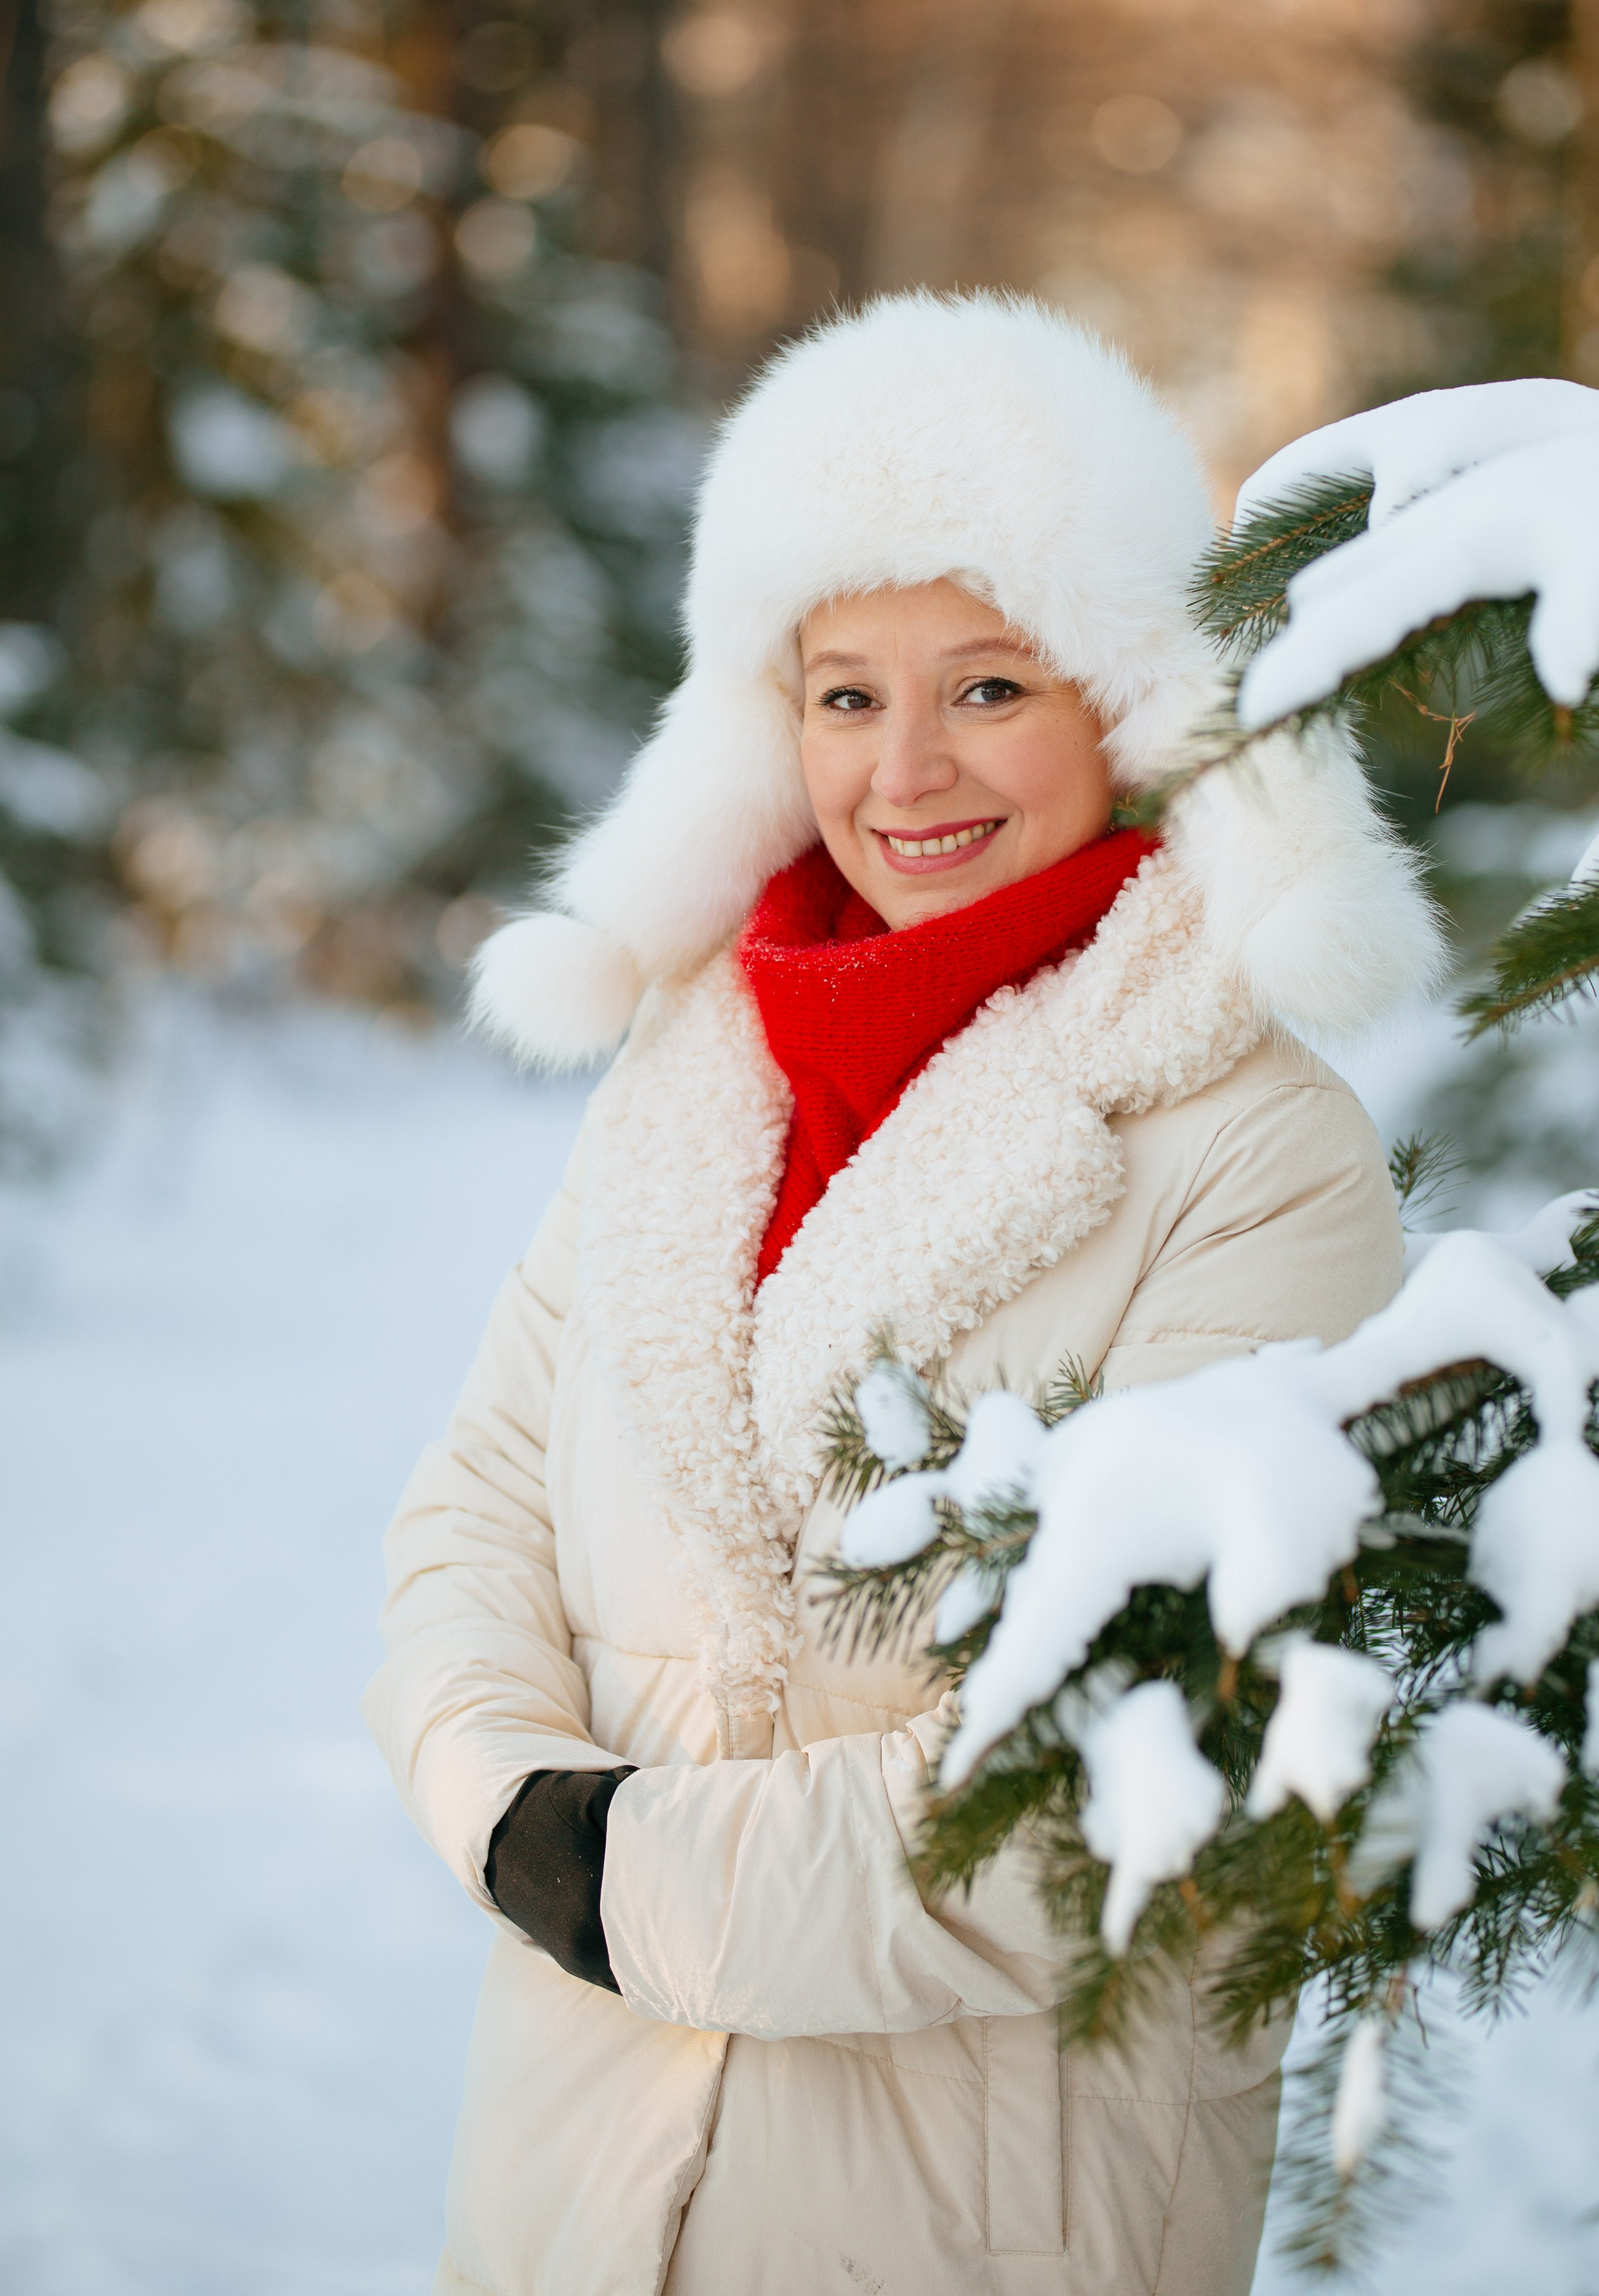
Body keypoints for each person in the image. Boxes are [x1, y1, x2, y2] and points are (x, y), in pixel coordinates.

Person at [365, 290, 1442, 2296]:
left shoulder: (1256, 1146)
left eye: (990, 688)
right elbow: (481, 1494)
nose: (907, 770)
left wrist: (626, 1879)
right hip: (576, 2177)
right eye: (845, 693)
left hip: (977, 2206)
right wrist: (498, 1791)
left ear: (1123, 698)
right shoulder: (690, 1066)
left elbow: (1137, 1763)